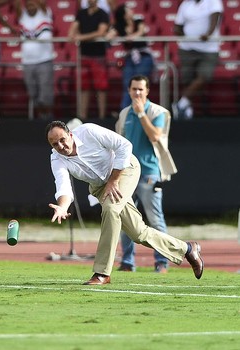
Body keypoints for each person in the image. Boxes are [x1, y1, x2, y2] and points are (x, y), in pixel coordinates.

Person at [45, 120, 203, 285]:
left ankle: (102, 273)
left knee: (111, 209)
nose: (61, 146)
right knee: (138, 232)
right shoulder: (56, 158)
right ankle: (187, 249)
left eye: (62, 139)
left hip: (125, 170)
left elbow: (124, 145)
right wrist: (62, 207)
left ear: (70, 134)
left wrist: (114, 180)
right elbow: (63, 187)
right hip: (100, 187)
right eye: (55, 144)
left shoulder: (88, 131)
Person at [114, 75, 177, 273]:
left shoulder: (158, 111)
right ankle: (127, 261)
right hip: (128, 173)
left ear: (148, 91)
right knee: (126, 218)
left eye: (141, 89)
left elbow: (155, 136)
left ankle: (162, 261)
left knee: (155, 219)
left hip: (149, 172)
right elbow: (119, 143)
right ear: (129, 90)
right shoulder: (125, 113)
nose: (137, 93)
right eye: (134, 89)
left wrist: (142, 114)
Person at [173, 0, 223, 120]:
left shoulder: (213, 1)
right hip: (187, 48)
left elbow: (215, 18)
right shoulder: (186, 4)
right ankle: (187, 108)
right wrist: (180, 32)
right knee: (187, 79)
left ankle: (181, 103)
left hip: (209, 48)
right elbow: (178, 25)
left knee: (205, 75)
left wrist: (208, 34)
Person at [68, 0, 109, 120]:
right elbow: (72, 30)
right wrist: (72, 35)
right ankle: (82, 117)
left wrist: (81, 37)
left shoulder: (103, 14)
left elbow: (101, 32)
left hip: (98, 56)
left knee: (101, 87)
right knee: (83, 87)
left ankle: (102, 117)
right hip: (84, 55)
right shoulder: (81, 13)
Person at [107, 4, 154, 110]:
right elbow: (109, 35)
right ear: (124, 15)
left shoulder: (138, 21)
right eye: (128, 10)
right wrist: (111, 35)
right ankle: (125, 111)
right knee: (128, 85)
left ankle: (141, 110)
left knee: (140, 84)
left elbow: (141, 31)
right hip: (130, 58)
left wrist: (132, 37)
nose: (131, 11)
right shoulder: (120, 26)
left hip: (143, 56)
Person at [15, 0, 54, 120]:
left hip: (44, 60)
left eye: (33, 4)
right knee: (33, 94)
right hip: (27, 62)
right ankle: (41, 118)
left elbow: (42, 3)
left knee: (45, 94)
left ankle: (48, 118)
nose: (30, 7)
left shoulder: (45, 13)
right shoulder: (23, 15)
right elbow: (16, 3)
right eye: (28, 5)